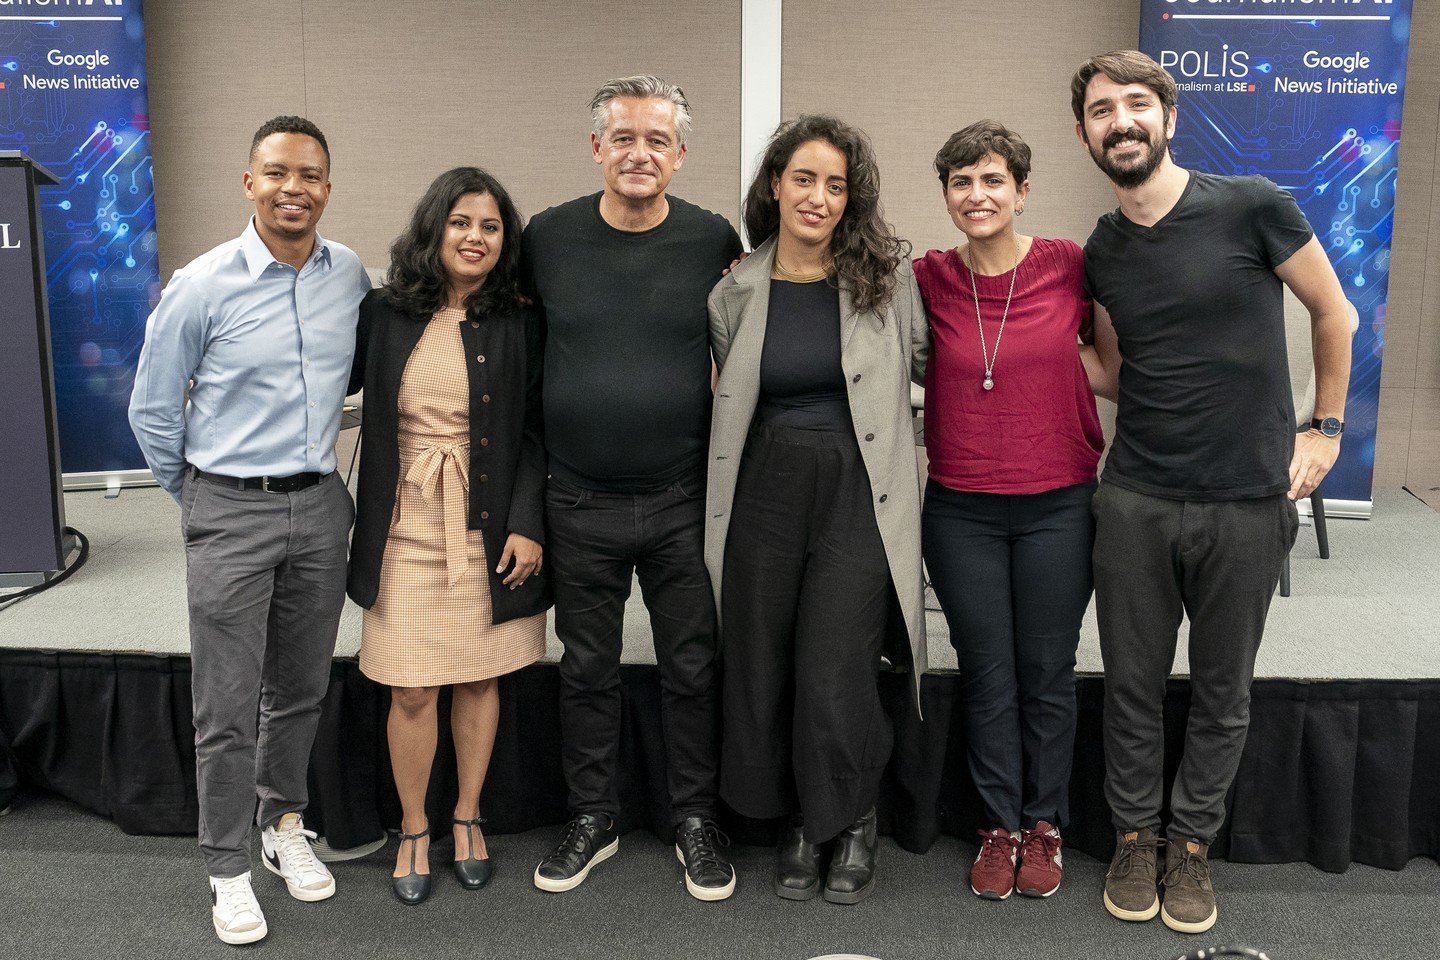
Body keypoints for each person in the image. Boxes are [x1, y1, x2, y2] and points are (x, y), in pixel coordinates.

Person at [1072, 50, 1353, 934]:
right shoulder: (1102, 250)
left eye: (1135, 104)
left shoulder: (1252, 205)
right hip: (1136, 499)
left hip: (1243, 500)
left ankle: (1190, 847)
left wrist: (1326, 428)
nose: (1120, 121)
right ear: (1084, 133)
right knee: (1131, 685)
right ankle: (1133, 837)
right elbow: (1114, 371)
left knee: (1225, 689)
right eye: (1100, 110)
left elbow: (1334, 312)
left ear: (1169, 115)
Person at [128, 116, 371, 945]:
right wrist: (197, 498)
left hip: (319, 506)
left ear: (327, 189)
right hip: (228, 508)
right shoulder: (201, 284)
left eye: (308, 174)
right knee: (225, 706)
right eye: (275, 173)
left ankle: (282, 826)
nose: (292, 188)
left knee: (299, 689)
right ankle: (227, 867)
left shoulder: (350, 277)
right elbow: (153, 410)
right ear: (249, 183)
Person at [522, 75, 743, 901]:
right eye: (623, 137)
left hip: (684, 495)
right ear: (595, 148)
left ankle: (693, 817)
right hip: (577, 497)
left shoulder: (712, 237)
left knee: (692, 665)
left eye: (657, 140)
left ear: (681, 156)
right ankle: (593, 814)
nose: (639, 153)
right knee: (586, 667)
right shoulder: (546, 237)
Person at [705, 114, 929, 905]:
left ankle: (854, 818)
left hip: (858, 490)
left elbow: (935, 371)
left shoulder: (885, 282)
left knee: (837, 662)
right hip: (765, 486)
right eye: (804, 178)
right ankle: (802, 821)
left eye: (836, 184)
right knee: (765, 657)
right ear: (775, 184)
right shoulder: (735, 289)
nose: (819, 197)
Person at [914, 120, 1114, 902]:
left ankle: (1046, 826)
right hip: (960, 507)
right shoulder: (929, 276)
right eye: (962, 182)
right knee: (988, 671)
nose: (977, 195)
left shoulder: (1069, 264)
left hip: (1060, 500)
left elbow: (1115, 364)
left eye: (993, 180)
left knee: (1047, 670)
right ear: (947, 196)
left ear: (1022, 191)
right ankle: (998, 827)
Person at [347, 167, 550, 905]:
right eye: (461, 222)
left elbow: (535, 430)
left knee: (479, 675)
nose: (475, 237)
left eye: (491, 226)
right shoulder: (384, 312)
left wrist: (529, 522)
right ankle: (411, 826)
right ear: (433, 230)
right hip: (402, 522)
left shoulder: (520, 318)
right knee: (409, 686)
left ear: (505, 241)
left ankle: (466, 816)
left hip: (487, 519)